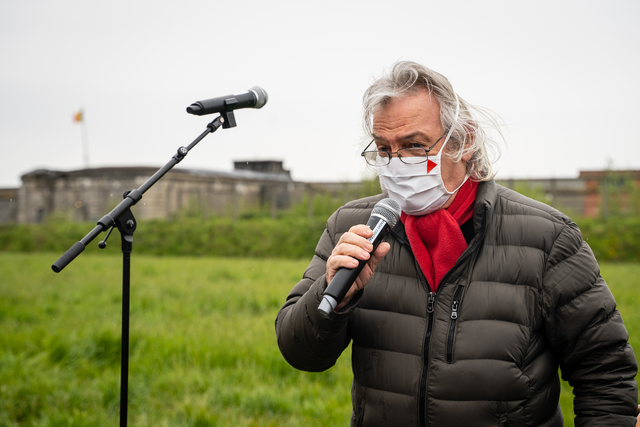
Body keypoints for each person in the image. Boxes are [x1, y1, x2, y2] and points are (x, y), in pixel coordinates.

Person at [275, 61, 638, 426]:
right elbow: (301, 353)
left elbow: (605, 373)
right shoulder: (351, 227)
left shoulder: (546, 237)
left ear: (463, 142)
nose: (396, 164)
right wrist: (334, 292)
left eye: (414, 146)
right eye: (384, 149)